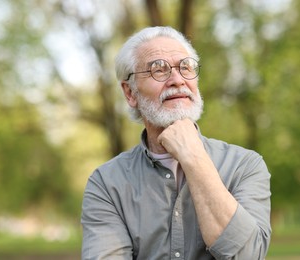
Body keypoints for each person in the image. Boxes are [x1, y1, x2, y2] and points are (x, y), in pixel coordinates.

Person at [81, 26, 271, 260]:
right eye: (158, 70)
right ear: (130, 92)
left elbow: (248, 256)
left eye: (185, 67)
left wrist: (194, 157)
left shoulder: (245, 165)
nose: (177, 79)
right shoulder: (106, 183)